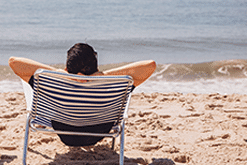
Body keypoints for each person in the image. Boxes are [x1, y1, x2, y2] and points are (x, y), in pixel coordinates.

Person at [9, 43, 156, 146]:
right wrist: (105, 75)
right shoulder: (112, 85)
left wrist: (58, 73)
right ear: (96, 67)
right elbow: (150, 65)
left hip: (65, 133)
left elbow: (14, 62)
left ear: (67, 67)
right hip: (99, 132)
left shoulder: (54, 82)